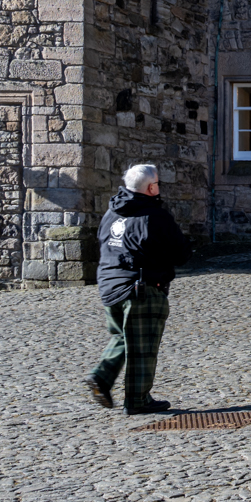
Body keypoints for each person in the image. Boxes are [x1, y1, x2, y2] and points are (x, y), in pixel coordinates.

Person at [84, 163, 193, 416]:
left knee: (123, 337)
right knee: (143, 345)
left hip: (109, 286)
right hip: (141, 288)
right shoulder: (155, 216)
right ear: (151, 187)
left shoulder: (111, 213)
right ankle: (137, 400)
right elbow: (181, 253)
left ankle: (101, 377)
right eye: (158, 184)